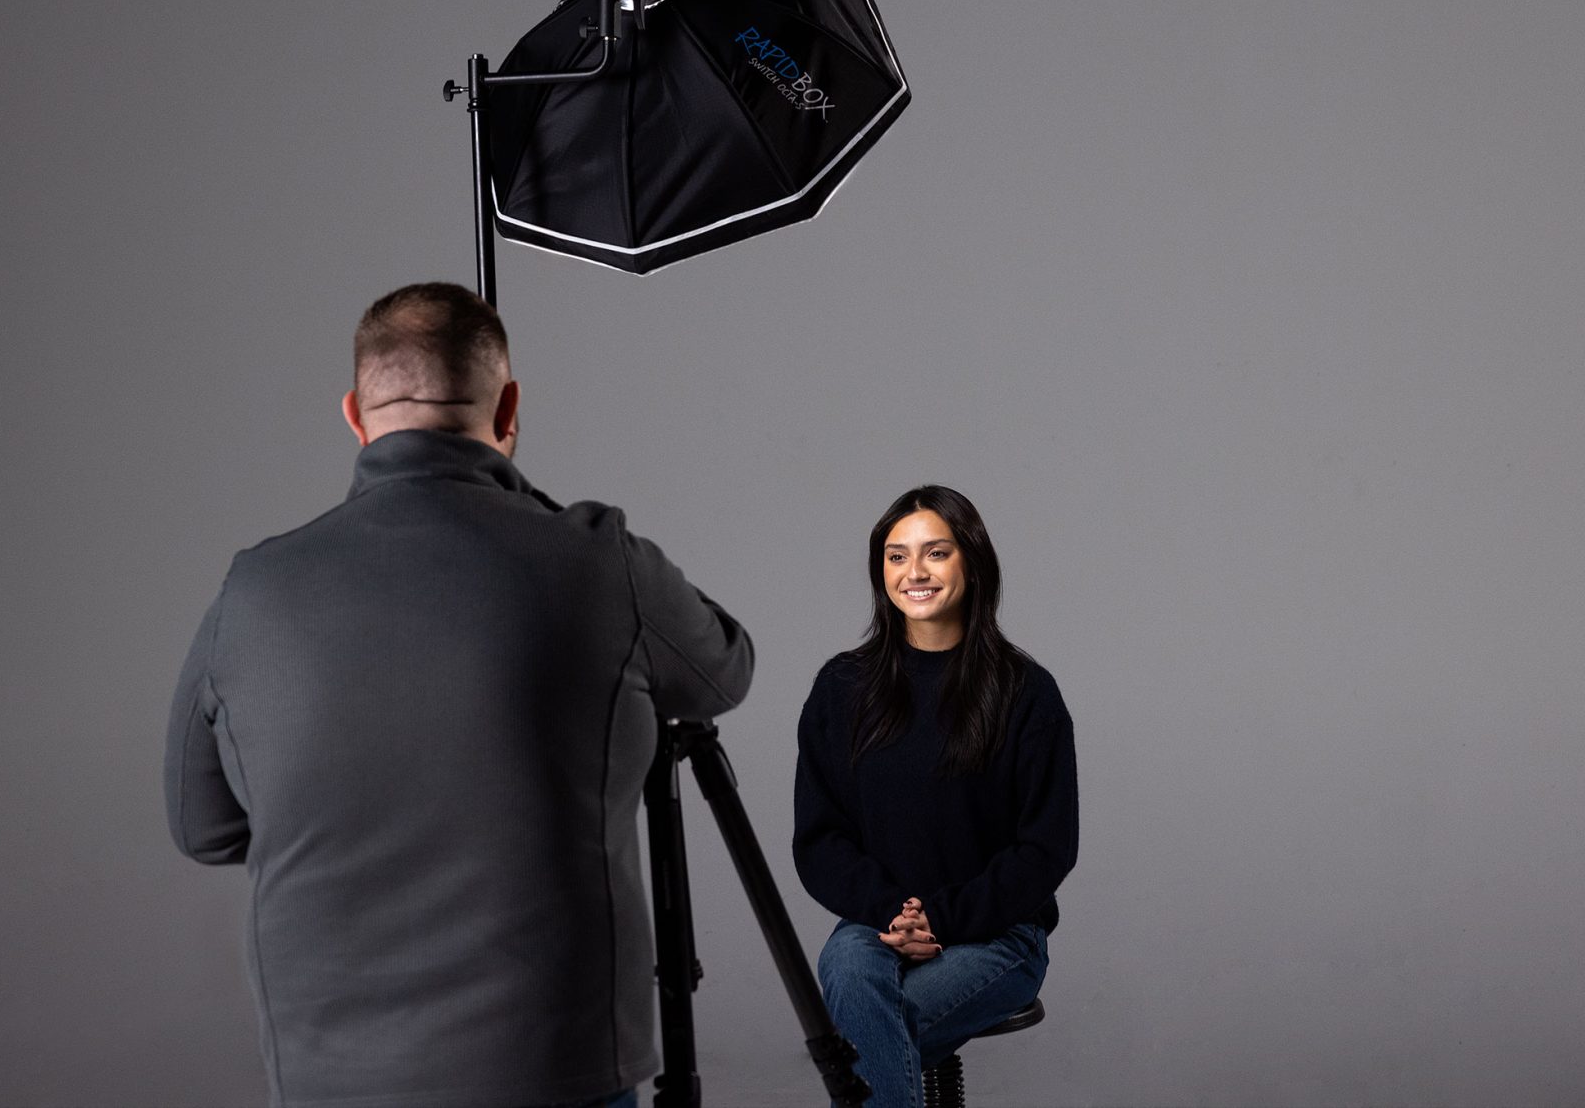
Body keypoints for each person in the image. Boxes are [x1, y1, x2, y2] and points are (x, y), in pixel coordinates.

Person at [164, 282, 752, 1108]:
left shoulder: (252, 588)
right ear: (509, 406)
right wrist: (553, 521)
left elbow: (205, 827)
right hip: (557, 1065)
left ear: (354, 415)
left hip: (330, 1074)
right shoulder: (594, 558)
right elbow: (723, 671)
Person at [792, 485, 1078, 1108]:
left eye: (935, 553)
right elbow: (820, 839)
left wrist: (942, 919)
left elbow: (1046, 847)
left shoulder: (1026, 692)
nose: (914, 572)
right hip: (874, 927)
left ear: (971, 564)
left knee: (863, 1038)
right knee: (848, 973)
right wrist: (895, 912)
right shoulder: (843, 688)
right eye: (896, 557)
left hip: (998, 937)